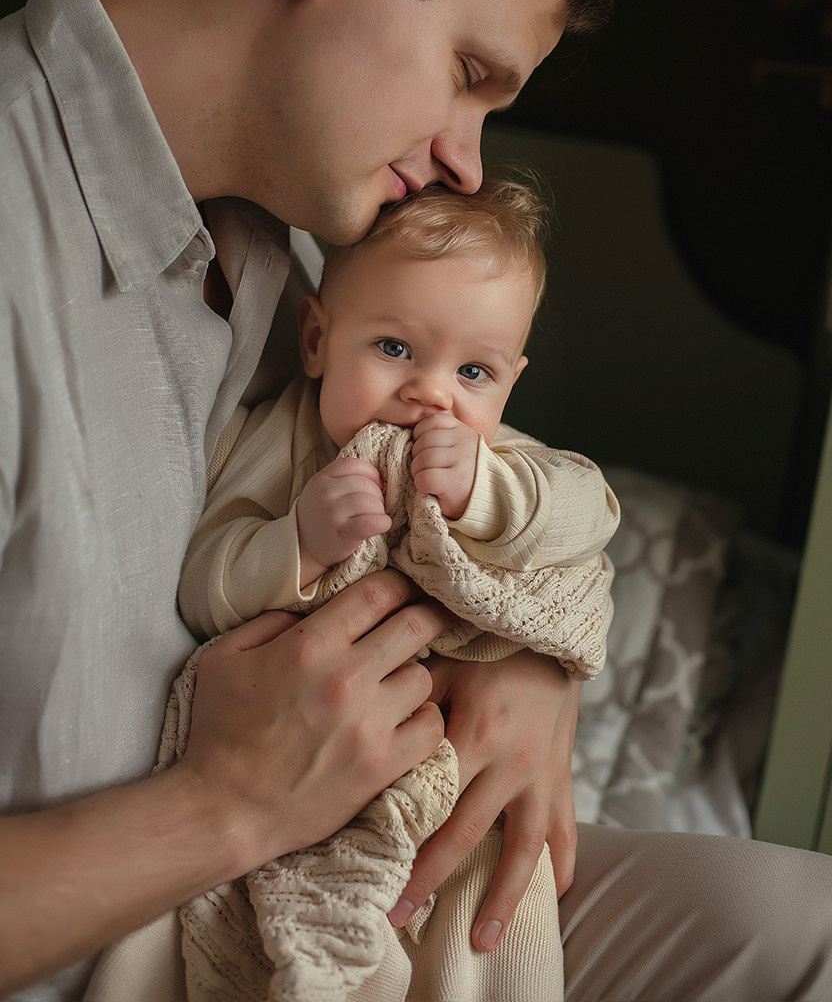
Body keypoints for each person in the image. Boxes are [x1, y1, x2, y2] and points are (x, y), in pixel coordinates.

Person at [1, 0, 831, 1001]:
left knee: (797, 930)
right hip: (141, 929)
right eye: (471, 75)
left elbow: (439, 501)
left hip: (353, 873)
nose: (461, 162)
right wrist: (222, 808)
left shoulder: (287, 254)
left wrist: (526, 659)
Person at [167, 177, 619, 998]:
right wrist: (296, 543)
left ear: (509, 384)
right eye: (395, 349)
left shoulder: (497, 463)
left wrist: (487, 495)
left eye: (474, 371)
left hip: (455, 778)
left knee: (492, 952)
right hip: (305, 778)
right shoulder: (273, 445)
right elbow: (205, 584)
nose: (431, 392)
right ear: (315, 339)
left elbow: (591, 511)